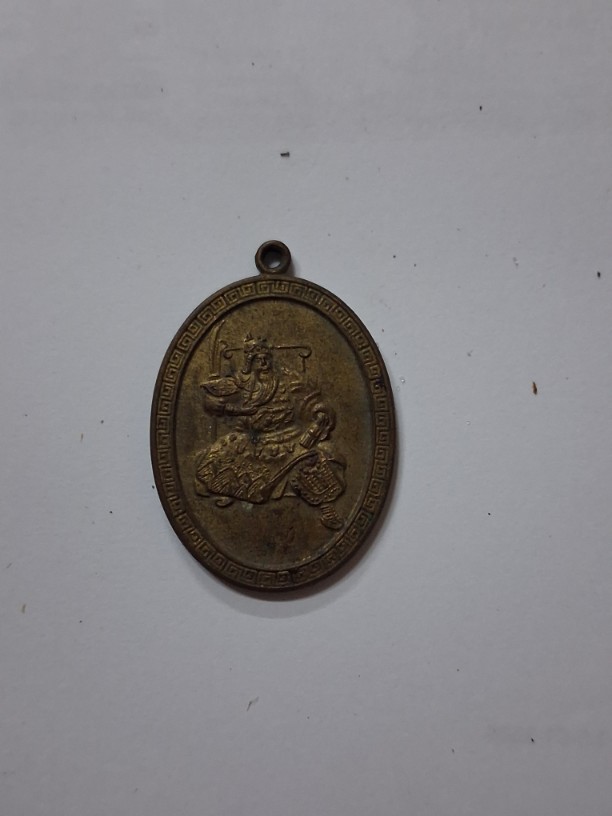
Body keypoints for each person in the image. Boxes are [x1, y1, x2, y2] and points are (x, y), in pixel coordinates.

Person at [194, 335, 346, 530]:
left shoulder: (288, 379)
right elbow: (210, 400)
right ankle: (229, 494)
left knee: (315, 461)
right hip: (251, 443)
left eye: (266, 357)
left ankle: (327, 509)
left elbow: (312, 399)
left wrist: (320, 413)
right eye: (258, 359)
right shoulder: (241, 383)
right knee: (217, 462)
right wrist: (231, 409)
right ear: (250, 362)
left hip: (290, 438)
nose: (264, 362)